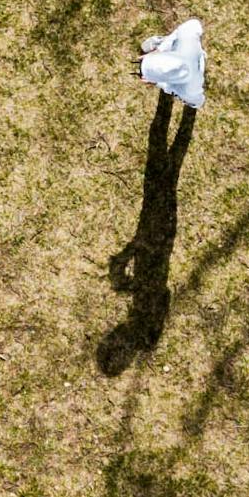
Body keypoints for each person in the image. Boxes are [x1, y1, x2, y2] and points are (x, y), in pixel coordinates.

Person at [96, 88, 194, 375]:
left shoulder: (145, 330)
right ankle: (180, 95)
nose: (113, 332)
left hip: (155, 236)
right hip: (157, 236)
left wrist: (129, 263)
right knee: (164, 155)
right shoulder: (146, 330)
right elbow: (161, 295)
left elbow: (163, 296)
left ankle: (185, 99)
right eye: (113, 340)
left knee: (168, 159)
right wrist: (134, 260)